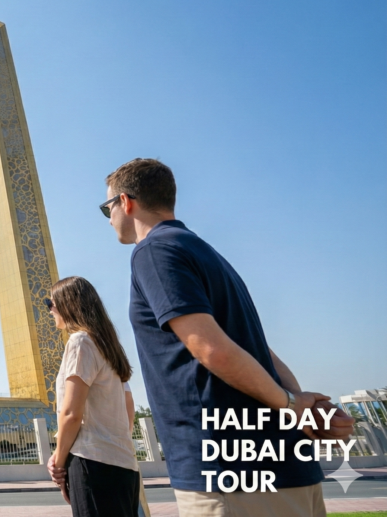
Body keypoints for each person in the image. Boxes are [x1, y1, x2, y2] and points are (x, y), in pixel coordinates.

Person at [103, 158, 354, 516]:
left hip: (230, 473)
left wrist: (292, 405)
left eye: (107, 208)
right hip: (284, 468)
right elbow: (259, 349)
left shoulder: (153, 251)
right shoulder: (206, 252)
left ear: (126, 202)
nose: (109, 219)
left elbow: (211, 348)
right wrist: (299, 407)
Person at [45, 277, 141, 517]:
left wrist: (59, 462)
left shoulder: (80, 342)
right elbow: (129, 407)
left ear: (68, 304)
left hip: (92, 463)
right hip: (124, 464)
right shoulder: (109, 346)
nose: (50, 310)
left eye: (51, 302)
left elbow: (71, 413)